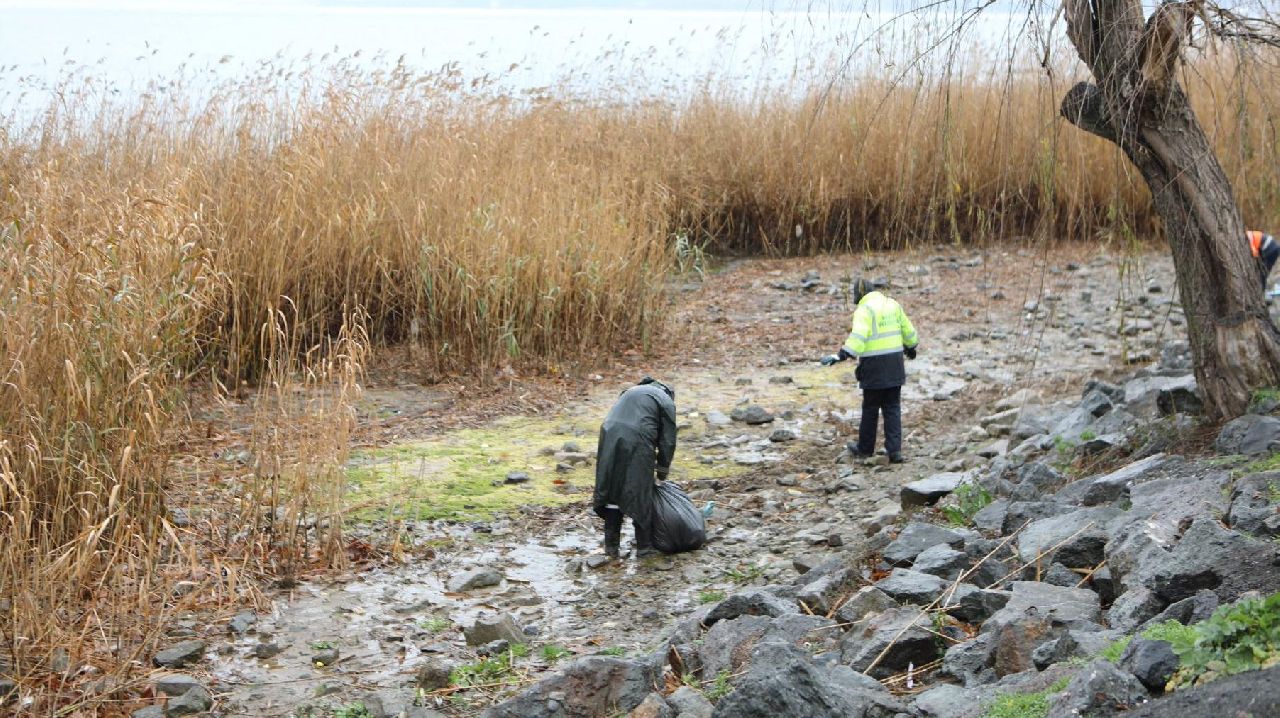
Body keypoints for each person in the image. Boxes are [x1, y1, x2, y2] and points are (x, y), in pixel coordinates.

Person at [820, 279, 918, 464]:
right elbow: (908, 330)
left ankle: (865, 449)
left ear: (860, 294)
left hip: (874, 366)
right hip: (895, 365)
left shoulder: (864, 310)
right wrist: (911, 347)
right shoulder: (892, 304)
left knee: (870, 408)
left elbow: (858, 337)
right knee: (892, 408)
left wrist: (840, 355)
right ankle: (894, 451)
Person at [593, 377, 677, 559]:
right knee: (640, 489)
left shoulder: (631, 391)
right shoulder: (665, 400)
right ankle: (645, 548)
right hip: (638, 435)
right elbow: (668, 440)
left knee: (613, 487)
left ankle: (611, 548)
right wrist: (662, 470)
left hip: (609, 431)